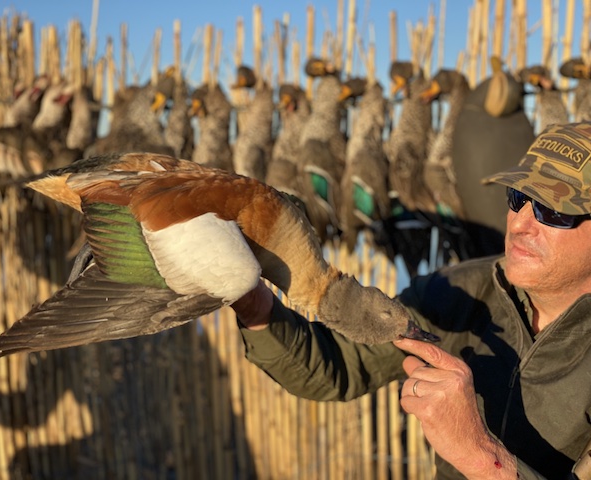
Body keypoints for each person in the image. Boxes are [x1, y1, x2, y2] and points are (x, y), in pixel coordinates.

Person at [230, 121, 591, 479]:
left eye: (553, 211)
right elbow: (336, 365)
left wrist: (478, 455)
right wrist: (253, 303)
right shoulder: (460, 291)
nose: (518, 224)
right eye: (518, 198)